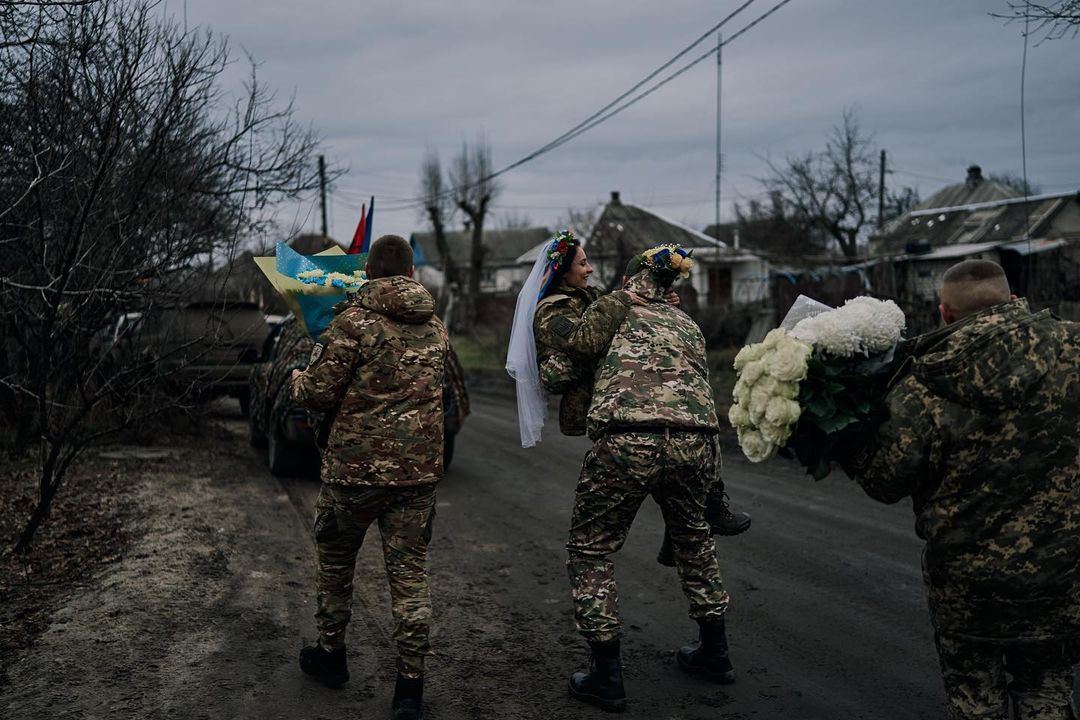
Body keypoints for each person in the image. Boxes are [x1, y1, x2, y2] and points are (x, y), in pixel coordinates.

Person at [847, 259, 1080, 720]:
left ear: (945, 314)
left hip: (968, 586)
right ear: (1013, 301)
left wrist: (850, 440)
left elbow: (884, 481)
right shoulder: (1074, 351)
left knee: (975, 701)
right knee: (1048, 692)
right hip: (1062, 572)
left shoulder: (923, 383)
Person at [557, 244, 736, 713]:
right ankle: (715, 652)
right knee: (694, 537)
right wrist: (715, 481)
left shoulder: (616, 308)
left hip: (628, 439)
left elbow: (577, 346)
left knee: (592, 548)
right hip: (695, 441)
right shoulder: (688, 324)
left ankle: (606, 673)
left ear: (631, 277)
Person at [506, 231, 750, 564]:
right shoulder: (552, 311)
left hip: (624, 394)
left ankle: (683, 530)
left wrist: (655, 310)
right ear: (563, 271)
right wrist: (623, 306)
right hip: (605, 406)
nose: (590, 269)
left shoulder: (587, 297)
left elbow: (615, 322)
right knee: (645, 459)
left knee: (670, 449)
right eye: (583, 263)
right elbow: (575, 353)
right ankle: (678, 535)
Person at [290, 234, 449, 720]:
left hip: (353, 475)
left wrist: (299, 376)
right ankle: (410, 687)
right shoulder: (436, 328)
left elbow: (317, 393)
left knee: (337, 565)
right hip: (417, 475)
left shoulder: (351, 323)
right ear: (411, 273)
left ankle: (332, 656)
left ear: (370, 273)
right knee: (409, 578)